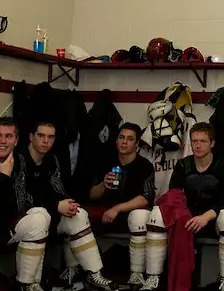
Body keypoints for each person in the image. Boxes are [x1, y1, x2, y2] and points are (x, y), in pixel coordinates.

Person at [18, 121, 118, 290]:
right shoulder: (19, 158)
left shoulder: (52, 159)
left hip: (48, 215)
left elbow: (58, 189)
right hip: (23, 219)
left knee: (79, 214)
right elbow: (22, 198)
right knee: (39, 215)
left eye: (50, 137)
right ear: (30, 137)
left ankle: (93, 273)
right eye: (41, 136)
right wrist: (55, 205)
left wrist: (67, 204)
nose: (45, 141)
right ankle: (28, 284)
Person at [140, 122, 224, 291]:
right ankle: (153, 278)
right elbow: (173, 195)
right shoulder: (184, 164)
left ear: (212, 143)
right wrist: (185, 216)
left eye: (203, 141)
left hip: (213, 220)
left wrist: (206, 216)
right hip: (187, 220)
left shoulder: (223, 166)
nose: (198, 145)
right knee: (156, 213)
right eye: (194, 141)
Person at [87, 122, 156, 289]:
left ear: (137, 144)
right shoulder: (105, 161)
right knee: (78, 214)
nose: (124, 142)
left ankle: (136, 275)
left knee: (140, 216)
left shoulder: (144, 165)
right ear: (116, 141)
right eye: (121, 137)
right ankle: (87, 272)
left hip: (129, 212)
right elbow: (91, 195)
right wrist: (103, 185)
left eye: (130, 139)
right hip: (105, 211)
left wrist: (118, 208)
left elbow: (146, 197)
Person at [0, 117, 52, 291]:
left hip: (8, 223)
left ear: (16, 140)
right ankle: (26, 284)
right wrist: (4, 178)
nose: (3, 141)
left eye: (8, 136)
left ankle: (30, 283)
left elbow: (21, 199)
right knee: (38, 219)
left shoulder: (19, 160)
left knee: (42, 214)